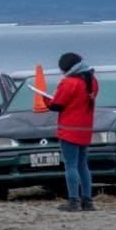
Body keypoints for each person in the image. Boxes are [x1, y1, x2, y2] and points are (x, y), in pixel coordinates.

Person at [46, 52, 99, 212]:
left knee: (70, 165)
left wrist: (46, 100)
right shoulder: (92, 81)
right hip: (85, 128)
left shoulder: (69, 82)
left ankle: (73, 200)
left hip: (69, 129)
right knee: (83, 164)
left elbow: (57, 105)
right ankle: (87, 200)